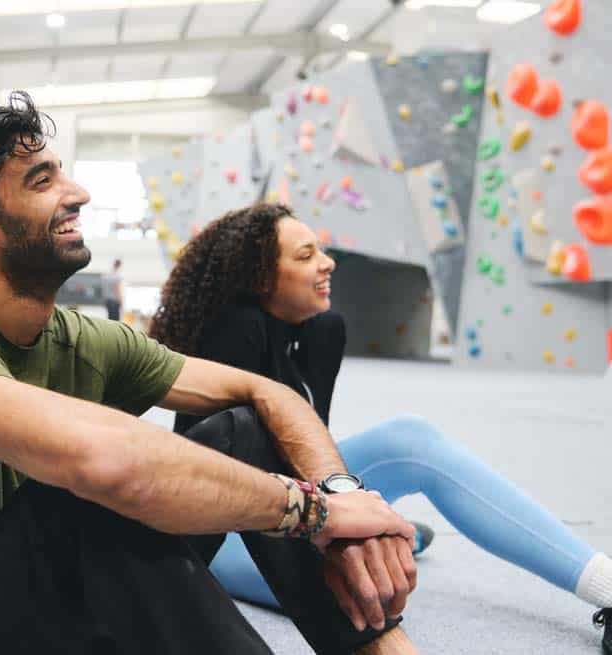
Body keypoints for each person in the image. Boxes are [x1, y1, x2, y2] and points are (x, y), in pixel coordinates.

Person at [0, 92, 424, 655]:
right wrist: (311, 513)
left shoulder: (87, 338)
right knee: (87, 494)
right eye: (42, 181)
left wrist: (342, 500)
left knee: (241, 428)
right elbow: (104, 462)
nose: (78, 193)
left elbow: (266, 394)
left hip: (66, 617)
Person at [149, 202, 612, 654]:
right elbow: (247, 464)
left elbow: (314, 443)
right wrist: (363, 528)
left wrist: (356, 511)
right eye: (305, 256)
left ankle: (606, 587)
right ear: (259, 278)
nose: (327, 264)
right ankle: (396, 532)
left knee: (409, 439)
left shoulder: (323, 329)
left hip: (306, 492)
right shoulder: (235, 330)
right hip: (236, 527)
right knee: (375, 571)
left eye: (322, 250)